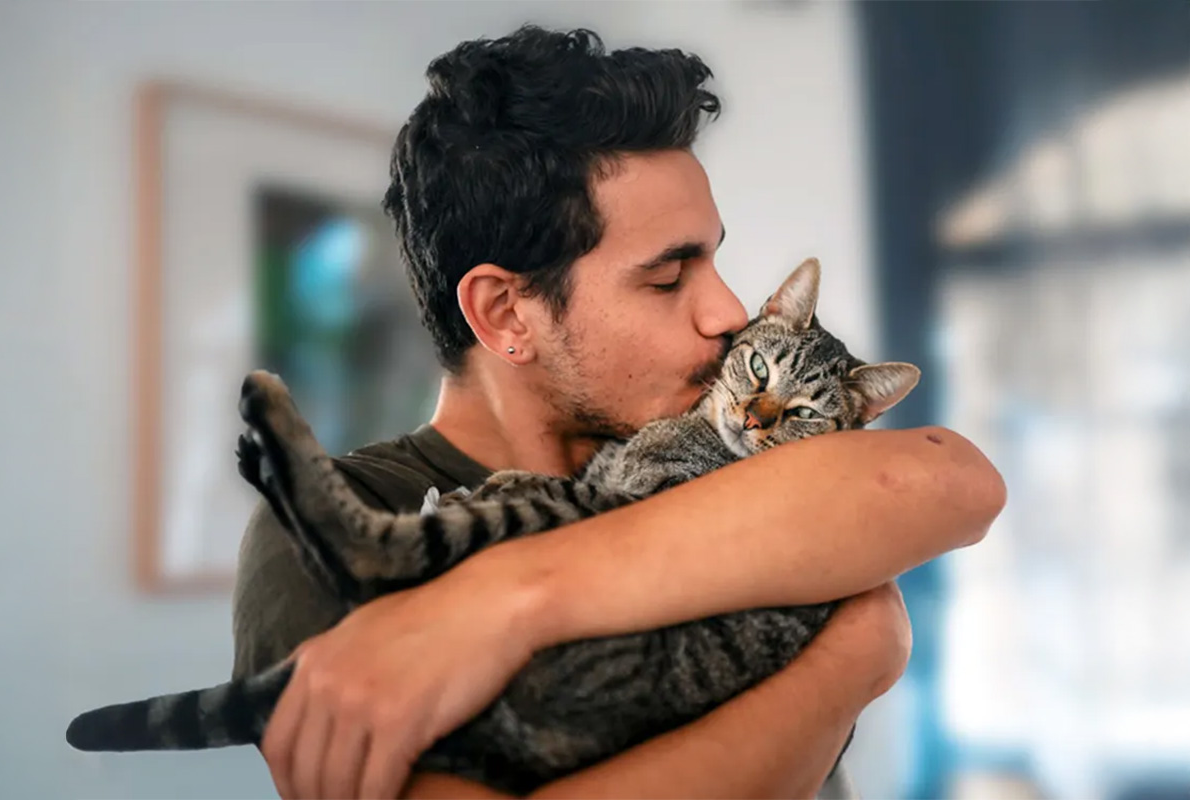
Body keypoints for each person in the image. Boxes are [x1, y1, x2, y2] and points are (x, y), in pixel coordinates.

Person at [232, 25, 1006, 799]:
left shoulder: (731, 443)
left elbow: (949, 481)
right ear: (504, 314)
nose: (731, 311)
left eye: (714, 258)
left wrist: (507, 598)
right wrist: (854, 661)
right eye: (669, 278)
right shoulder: (326, 525)